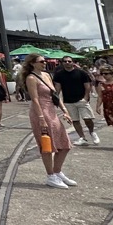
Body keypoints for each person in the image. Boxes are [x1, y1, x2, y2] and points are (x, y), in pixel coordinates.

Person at [20, 55, 76, 188]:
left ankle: (57, 172)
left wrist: (64, 110)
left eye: (44, 61)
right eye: (41, 62)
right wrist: (41, 118)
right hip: (41, 112)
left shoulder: (47, 75)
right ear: (33, 64)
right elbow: (34, 99)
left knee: (64, 144)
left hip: (51, 110)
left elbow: (55, 95)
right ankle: (50, 175)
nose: (44, 63)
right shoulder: (31, 78)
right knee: (47, 145)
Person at [52, 56, 98, 145]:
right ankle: (82, 138)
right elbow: (57, 88)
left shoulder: (81, 73)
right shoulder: (59, 74)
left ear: (73, 62)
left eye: (69, 61)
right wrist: (56, 98)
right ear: (62, 63)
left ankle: (92, 132)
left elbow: (87, 86)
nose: (67, 63)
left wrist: (85, 97)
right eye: (65, 61)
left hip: (81, 99)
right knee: (75, 120)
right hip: (68, 101)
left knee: (87, 118)